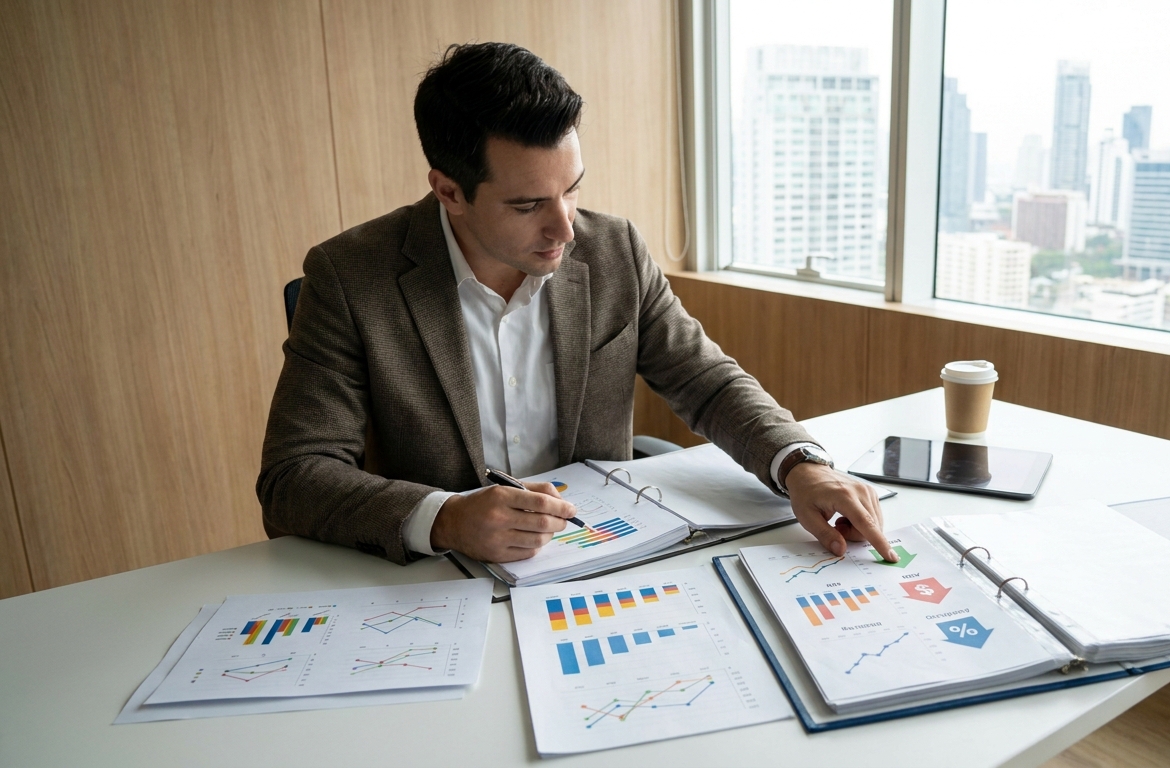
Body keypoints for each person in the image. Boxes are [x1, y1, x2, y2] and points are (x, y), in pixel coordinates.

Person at [257, 41, 895, 566]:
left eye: (572, 190)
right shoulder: (349, 276)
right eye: (529, 204)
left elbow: (706, 380)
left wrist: (800, 465)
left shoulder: (612, 248)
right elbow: (294, 476)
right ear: (449, 191)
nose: (564, 228)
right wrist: (445, 519)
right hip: (436, 580)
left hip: (601, 558)